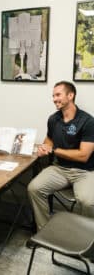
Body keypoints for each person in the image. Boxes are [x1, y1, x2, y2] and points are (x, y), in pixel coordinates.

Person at [27, 81, 94, 237]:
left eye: (58, 95)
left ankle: (87, 240)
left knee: (88, 202)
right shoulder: (53, 119)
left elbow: (84, 156)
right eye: (53, 95)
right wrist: (43, 148)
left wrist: (54, 150)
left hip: (84, 171)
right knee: (34, 188)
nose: (54, 99)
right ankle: (44, 232)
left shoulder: (88, 121)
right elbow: (49, 141)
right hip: (60, 169)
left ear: (70, 96)